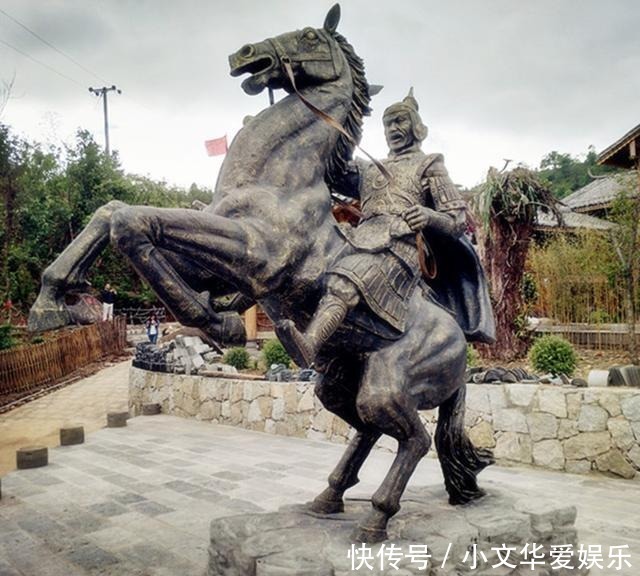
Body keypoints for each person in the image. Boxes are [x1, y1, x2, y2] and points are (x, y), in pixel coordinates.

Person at [280, 89, 494, 368]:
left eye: (399, 122)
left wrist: (428, 216)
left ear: (416, 127)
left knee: (346, 280)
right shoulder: (368, 169)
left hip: (401, 246)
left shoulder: (429, 164)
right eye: (388, 124)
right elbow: (331, 169)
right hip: (359, 239)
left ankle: (311, 344)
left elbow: (456, 221)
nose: (393, 129)